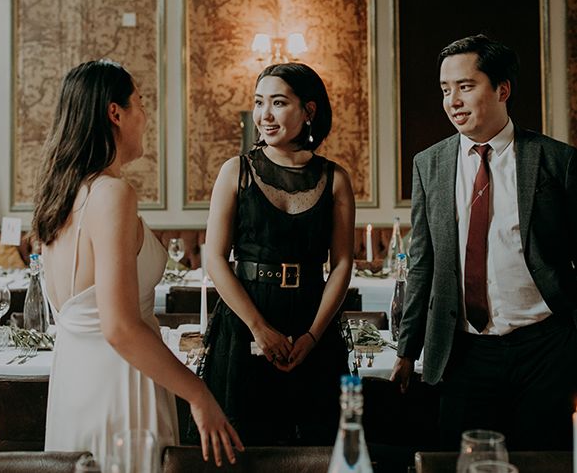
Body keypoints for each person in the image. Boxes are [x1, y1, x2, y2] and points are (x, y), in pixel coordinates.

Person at [33, 60, 243, 468]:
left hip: (75, 383)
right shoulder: (112, 194)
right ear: (116, 113)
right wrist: (198, 394)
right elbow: (120, 327)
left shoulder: (59, 195)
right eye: (140, 103)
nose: (145, 116)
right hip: (120, 385)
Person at [391, 34, 577, 450]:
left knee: (542, 460)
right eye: (445, 90)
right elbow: (423, 262)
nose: (452, 100)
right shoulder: (429, 164)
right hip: (463, 351)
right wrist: (406, 351)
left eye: (465, 86)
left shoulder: (556, 161)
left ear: (502, 89)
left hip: (544, 347)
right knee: (465, 460)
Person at [197, 62, 355, 445]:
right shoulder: (235, 170)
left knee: (317, 439)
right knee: (245, 440)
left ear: (309, 111)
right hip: (245, 318)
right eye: (258, 102)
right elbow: (214, 258)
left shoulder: (335, 178)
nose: (264, 115)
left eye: (278, 103)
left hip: (311, 318)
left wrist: (314, 335)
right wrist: (258, 328)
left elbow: (343, 264)